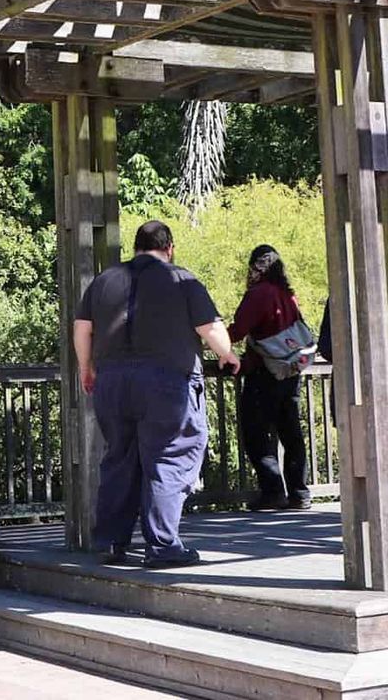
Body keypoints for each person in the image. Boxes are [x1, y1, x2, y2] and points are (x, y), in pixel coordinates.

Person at [73, 219, 240, 569]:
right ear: (170, 248)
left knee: (119, 457)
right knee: (169, 455)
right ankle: (163, 546)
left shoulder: (103, 281)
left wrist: (86, 367)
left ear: (135, 248)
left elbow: (82, 328)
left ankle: (111, 542)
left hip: (113, 381)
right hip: (166, 381)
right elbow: (210, 328)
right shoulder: (182, 279)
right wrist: (227, 354)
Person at [228, 244, 310, 512]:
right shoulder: (287, 295)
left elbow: (238, 330)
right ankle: (299, 492)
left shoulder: (259, 294)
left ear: (255, 267)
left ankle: (273, 490)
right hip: (290, 370)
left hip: (264, 372)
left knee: (255, 432)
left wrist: (212, 341)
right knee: (291, 431)